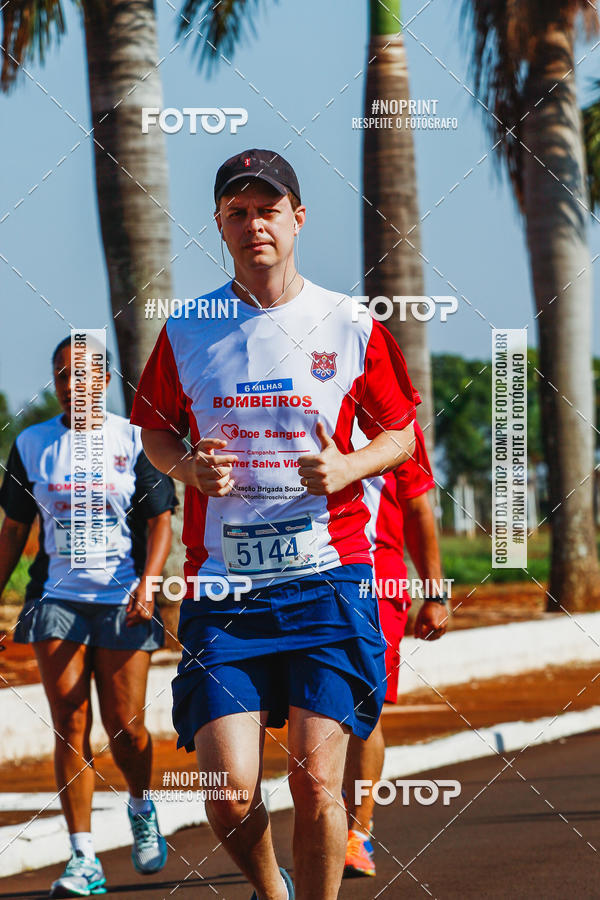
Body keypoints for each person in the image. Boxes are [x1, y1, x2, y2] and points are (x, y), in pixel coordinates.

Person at [130, 148, 418, 900]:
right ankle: (272, 888)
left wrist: (350, 467)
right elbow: (154, 431)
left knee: (317, 785)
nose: (255, 224)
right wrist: (188, 467)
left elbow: (401, 433)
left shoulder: (349, 322)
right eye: (239, 212)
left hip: (329, 578)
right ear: (220, 226)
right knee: (227, 791)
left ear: (298, 219)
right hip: (225, 589)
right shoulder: (188, 328)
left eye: (269, 210)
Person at [0, 337, 177, 898]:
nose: (71, 385)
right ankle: (83, 859)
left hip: (124, 600)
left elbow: (161, 520)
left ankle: (141, 807)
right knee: (70, 724)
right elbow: (13, 530)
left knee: (126, 726)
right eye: (61, 375)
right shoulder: (32, 444)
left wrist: (149, 583)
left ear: (102, 380)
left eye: (82, 374)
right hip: (56, 601)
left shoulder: (135, 439)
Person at [343, 420, 448, 877]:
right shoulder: (291, 402)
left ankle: (356, 833)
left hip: (376, 581)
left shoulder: (393, 422)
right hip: (301, 576)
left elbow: (418, 508)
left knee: (364, 706)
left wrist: (435, 594)